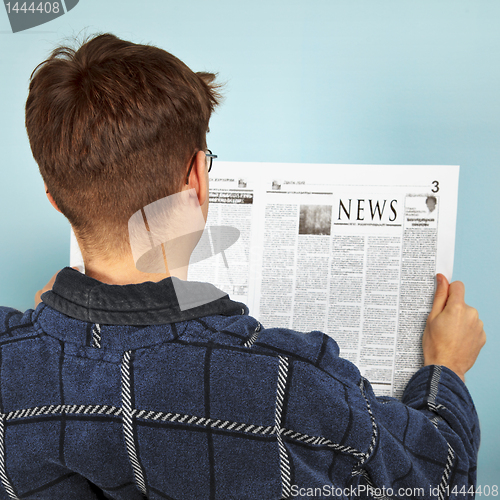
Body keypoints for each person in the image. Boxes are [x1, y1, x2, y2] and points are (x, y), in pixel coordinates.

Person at [0, 33, 485, 500]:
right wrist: (448, 369)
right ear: (196, 177)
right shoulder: (293, 380)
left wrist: (52, 325)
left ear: (56, 201)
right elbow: (437, 479)